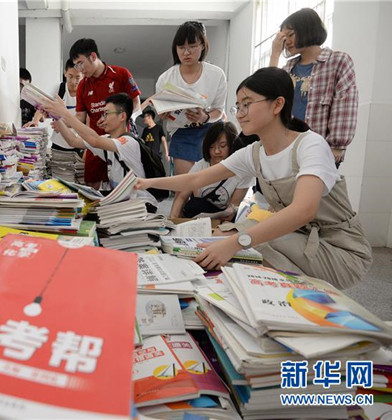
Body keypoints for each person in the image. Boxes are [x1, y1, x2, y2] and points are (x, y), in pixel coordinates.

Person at [135, 67, 372, 289]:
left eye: (247, 104)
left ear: (277, 104)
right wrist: (146, 183)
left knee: (248, 242)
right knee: (223, 234)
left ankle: (285, 299)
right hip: (299, 237)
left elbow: (303, 210)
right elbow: (195, 180)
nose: (240, 114)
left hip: (338, 248)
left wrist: (237, 242)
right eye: (238, 106)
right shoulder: (255, 152)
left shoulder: (310, 145)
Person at [269, 8, 358, 168]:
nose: (286, 42)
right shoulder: (288, 67)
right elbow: (268, 93)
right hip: (286, 147)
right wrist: (275, 54)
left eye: (290, 35)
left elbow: (345, 104)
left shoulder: (337, 61)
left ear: (307, 29)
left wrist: (337, 145)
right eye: (283, 37)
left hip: (320, 149)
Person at [43, 92, 158, 211]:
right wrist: (57, 117)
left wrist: (64, 113)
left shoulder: (128, 142)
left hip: (141, 206)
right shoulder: (108, 140)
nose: (103, 119)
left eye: (107, 114)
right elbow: (73, 141)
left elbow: (94, 140)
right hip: (121, 204)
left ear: (122, 116)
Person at [156, 21, 227, 177]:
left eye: (192, 46)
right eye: (181, 48)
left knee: (212, 182)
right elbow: (162, 110)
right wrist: (163, 113)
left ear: (203, 46)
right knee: (185, 183)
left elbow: (219, 111)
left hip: (211, 131)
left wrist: (205, 117)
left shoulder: (216, 74)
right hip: (182, 133)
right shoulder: (165, 79)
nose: (186, 52)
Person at [70, 38, 142, 190]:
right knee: (91, 185)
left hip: (120, 140)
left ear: (93, 56)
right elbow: (80, 117)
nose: (79, 69)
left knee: (125, 184)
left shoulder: (121, 74)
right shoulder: (83, 85)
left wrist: (126, 118)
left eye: (81, 63)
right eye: (76, 65)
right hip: (95, 140)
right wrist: (59, 118)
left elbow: (136, 103)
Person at [170, 122, 253, 220]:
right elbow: (182, 196)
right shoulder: (201, 166)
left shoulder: (242, 172)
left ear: (233, 145)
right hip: (197, 215)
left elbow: (233, 206)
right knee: (195, 205)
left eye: (222, 146)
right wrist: (173, 220)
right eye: (212, 147)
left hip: (223, 217)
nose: (217, 151)